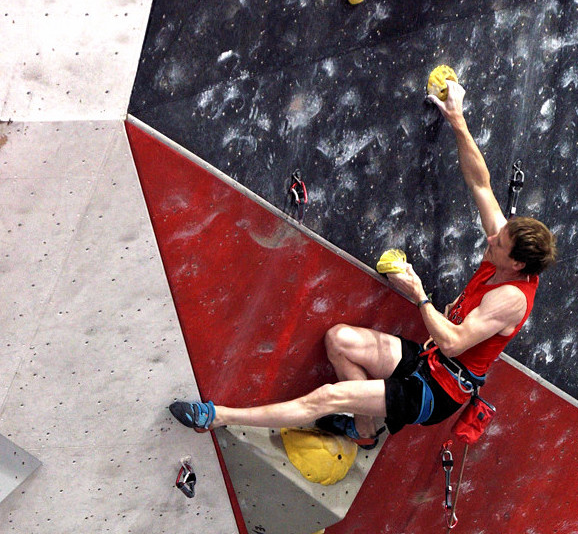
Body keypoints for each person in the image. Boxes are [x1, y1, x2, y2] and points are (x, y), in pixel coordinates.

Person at [169, 82, 556, 448]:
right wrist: (457, 117)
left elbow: (453, 343)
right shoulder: (507, 252)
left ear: (518, 263)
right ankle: (365, 429)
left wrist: (420, 296)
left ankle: (217, 416)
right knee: (339, 340)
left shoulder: (511, 300)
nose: (491, 239)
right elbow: (481, 185)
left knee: (327, 397)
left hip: (437, 390)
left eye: (499, 244)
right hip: (428, 359)